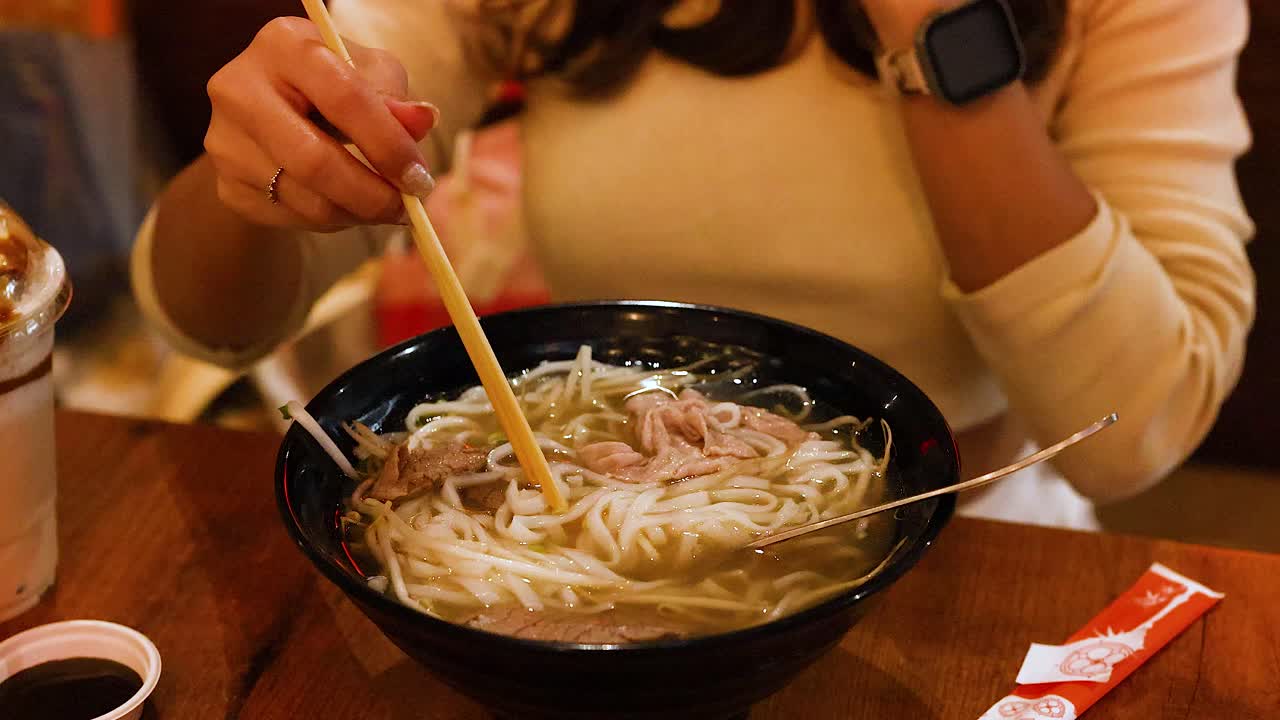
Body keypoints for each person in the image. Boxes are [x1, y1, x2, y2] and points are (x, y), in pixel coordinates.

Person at [131, 0, 1256, 529]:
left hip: (968, 545)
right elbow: (205, 318)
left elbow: (1138, 426)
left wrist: (936, 26)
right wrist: (266, 160)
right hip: (587, 532)